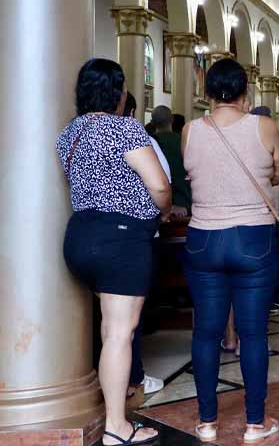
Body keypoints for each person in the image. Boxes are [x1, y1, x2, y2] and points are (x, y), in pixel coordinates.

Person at [57, 58, 171, 445]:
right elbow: (158, 184)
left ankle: (112, 414)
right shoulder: (125, 129)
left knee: (110, 331)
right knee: (120, 334)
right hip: (120, 239)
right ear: (119, 92)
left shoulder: (69, 133)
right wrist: (165, 204)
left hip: (80, 237)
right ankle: (116, 427)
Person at [181, 58, 279, 441]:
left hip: (204, 238)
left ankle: (207, 423)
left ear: (208, 92)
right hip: (252, 239)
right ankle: (255, 424)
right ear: (246, 91)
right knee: (253, 333)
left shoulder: (191, 130)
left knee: (206, 333)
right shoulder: (264, 125)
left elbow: (195, 173)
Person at [119, 94, 168, 398]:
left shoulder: (75, 131)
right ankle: (133, 377)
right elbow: (162, 184)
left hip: (85, 233)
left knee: (108, 324)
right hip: (133, 234)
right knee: (124, 322)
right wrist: (162, 212)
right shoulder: (136, 134)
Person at [151, 105, 190, 216]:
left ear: (152, 122)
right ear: (172, 119)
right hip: (183, 201)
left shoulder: (147, 143)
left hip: (157, 202)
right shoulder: (184, 141)